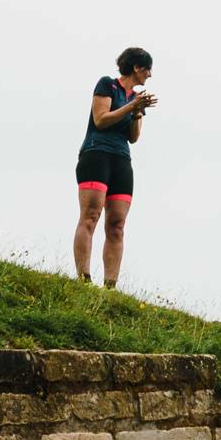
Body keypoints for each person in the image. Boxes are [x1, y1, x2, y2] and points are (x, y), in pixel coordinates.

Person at [73, 46, 154, 287]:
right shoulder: (107, 84)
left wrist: (138, 111)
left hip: (121, 159)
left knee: (117, 224)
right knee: (91, 216)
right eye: (148, 69)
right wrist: (131, 107)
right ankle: (83, 278)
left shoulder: (134, 98)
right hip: (96, 153)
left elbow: (134, 137)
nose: (149, 75)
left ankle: (110, 284)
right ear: (137, 67)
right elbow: (100, 119)